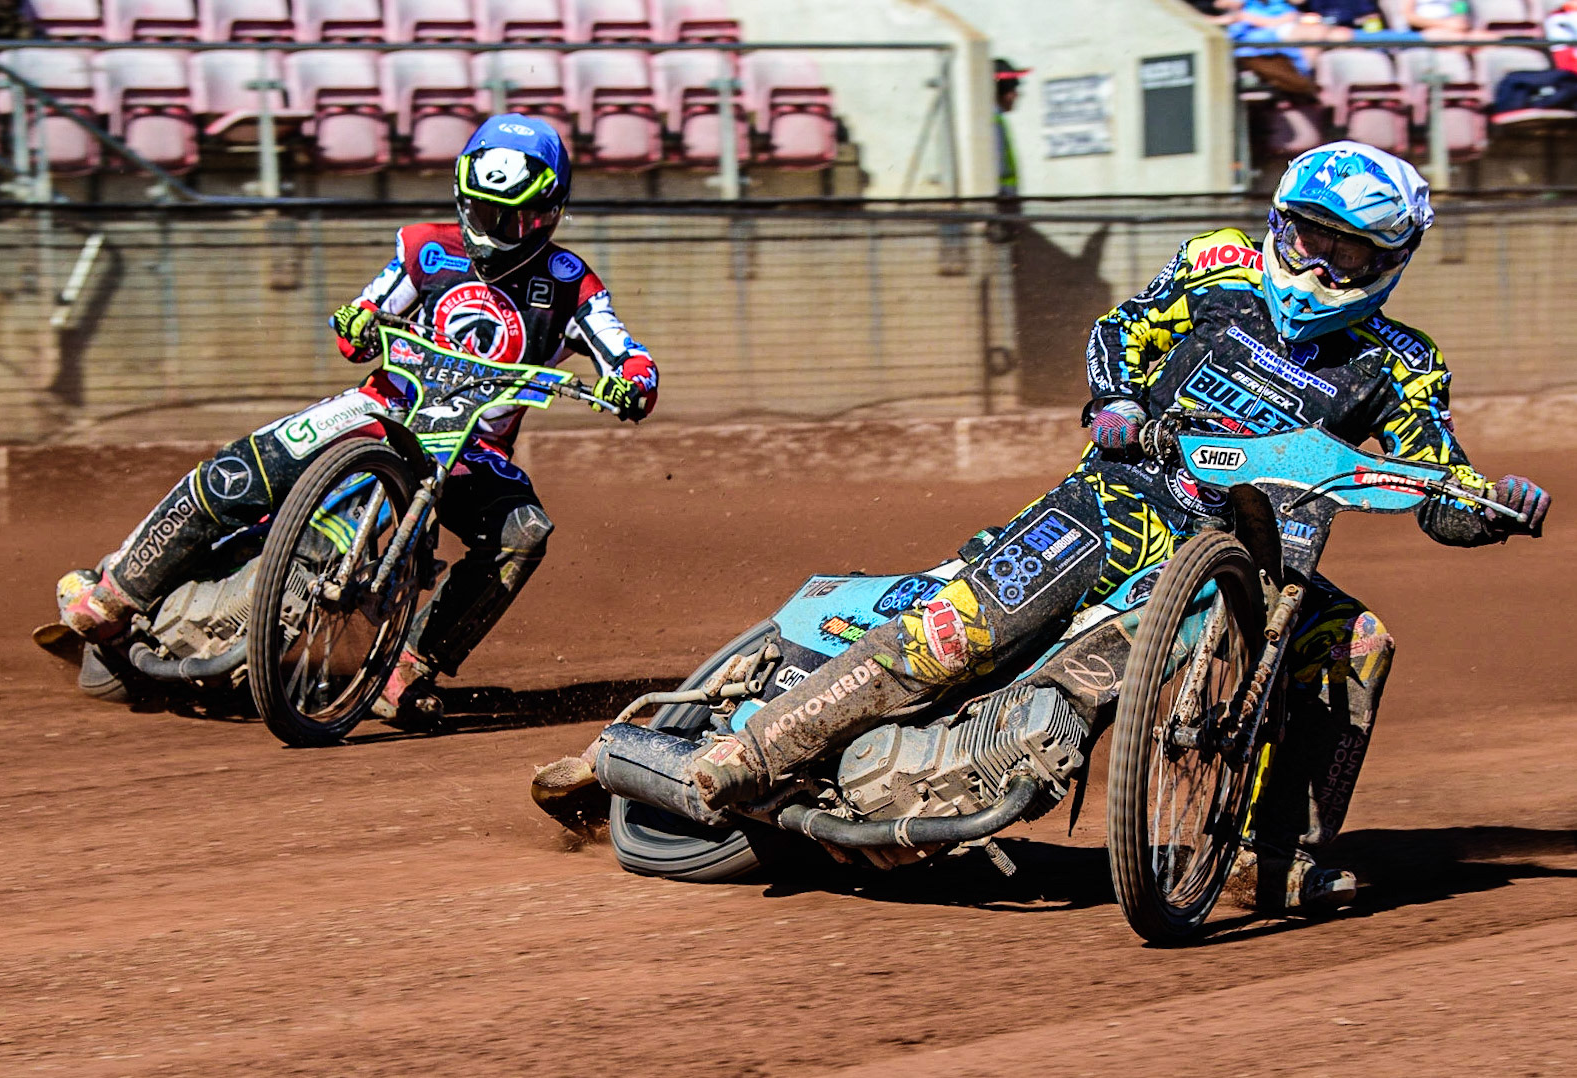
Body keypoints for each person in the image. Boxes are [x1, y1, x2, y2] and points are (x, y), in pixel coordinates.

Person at [534, 141, 1550, 913]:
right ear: (1276, 221)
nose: (1314, 263)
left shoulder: (1402, 364)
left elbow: (1435, 482)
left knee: (1357, 641)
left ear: (1387, 263)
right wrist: (1113, 401)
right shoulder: (1219, 264)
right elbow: (1120, 330)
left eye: (1345, 252)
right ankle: (729, 762)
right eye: (1304, 236)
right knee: (956, 634)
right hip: (1115, 503)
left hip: (1260, 566)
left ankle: (1267, 856)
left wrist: (1486, 507)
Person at [56, 115, 659, 719]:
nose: (492, 230)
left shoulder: (569, 283)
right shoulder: (427, 248)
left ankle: (408, 666)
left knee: (523, 532)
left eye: (512, 218)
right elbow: (366, 315)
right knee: (248, 467)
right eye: (479, 212)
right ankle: (117, 589)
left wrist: (633, 381)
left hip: (471, 447)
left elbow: (626, 353)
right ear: (460, 197)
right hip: (381, 408)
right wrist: (358, 320)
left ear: (549, 213)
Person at [992, 58, 1030, 200]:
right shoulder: (992, 121)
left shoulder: (996, 118)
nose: (1016, 95)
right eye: (1011, 88)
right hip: (1003, 201)